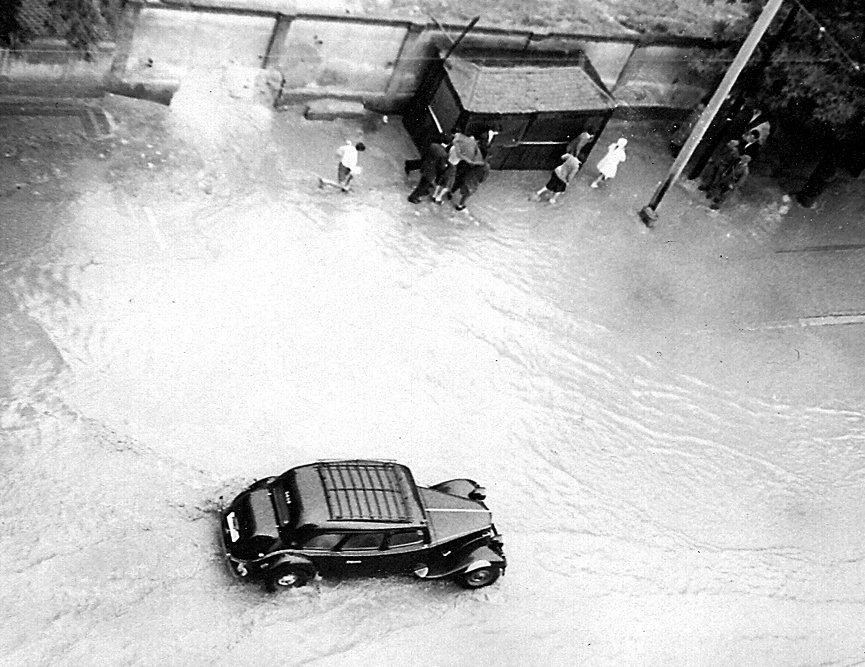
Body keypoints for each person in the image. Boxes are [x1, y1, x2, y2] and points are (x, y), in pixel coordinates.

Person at [432, 132, 485, 204]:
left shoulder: (453, 147)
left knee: (441, 181)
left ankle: (434, 195)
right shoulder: (461, 154)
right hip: (452, 167)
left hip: (447, 163)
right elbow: (469, 161)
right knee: (448, 185)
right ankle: (439, 197)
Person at [406, 134, 450, 204]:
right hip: (431, 171)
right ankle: (413, 197)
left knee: (423, 183)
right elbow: (441, 166)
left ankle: (419, 194)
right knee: (423, 185)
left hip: (426, 165)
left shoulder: (434, 145)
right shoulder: (444, 154)